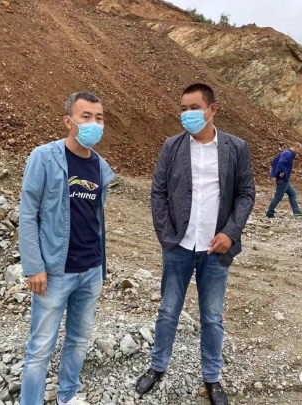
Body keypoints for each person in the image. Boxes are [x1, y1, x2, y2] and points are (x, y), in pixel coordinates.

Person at [135, 83, 256, 405]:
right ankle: (157, 367)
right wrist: (167, 235)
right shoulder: (172, 146)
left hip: (216, 249)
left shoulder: (236, 147)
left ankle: (212, 378)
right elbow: (158, 191)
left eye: (194, 108)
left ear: (212, 110)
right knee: (168, 311)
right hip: (179, 246)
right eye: (183, 108)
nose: (187, 114)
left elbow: (246, 193)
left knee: (212, 317)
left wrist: (230, 232)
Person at [18, 92, 114, 405]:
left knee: (79, 340)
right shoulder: (44, 157)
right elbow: (28, 214)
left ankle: (68, 394)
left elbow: (95, 219)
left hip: (91, 270)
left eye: (99, 118)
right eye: (86, 117)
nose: (94, 124)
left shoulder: (100, 166)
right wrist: (34, 266)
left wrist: (101, 267)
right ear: (68, 121)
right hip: (55, 273)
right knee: (40, 348)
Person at [266, 142, 302, 218]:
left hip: (285, 179)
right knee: (278, 196)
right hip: (283, 179)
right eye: (299, 150)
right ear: (296, 147)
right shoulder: (288, 154)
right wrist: (281, 172)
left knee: (292, 193)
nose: (299, 152)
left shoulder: (287, 153)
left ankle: (296, 211)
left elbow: (274, 161)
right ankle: (270, 212)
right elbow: (280, 163)